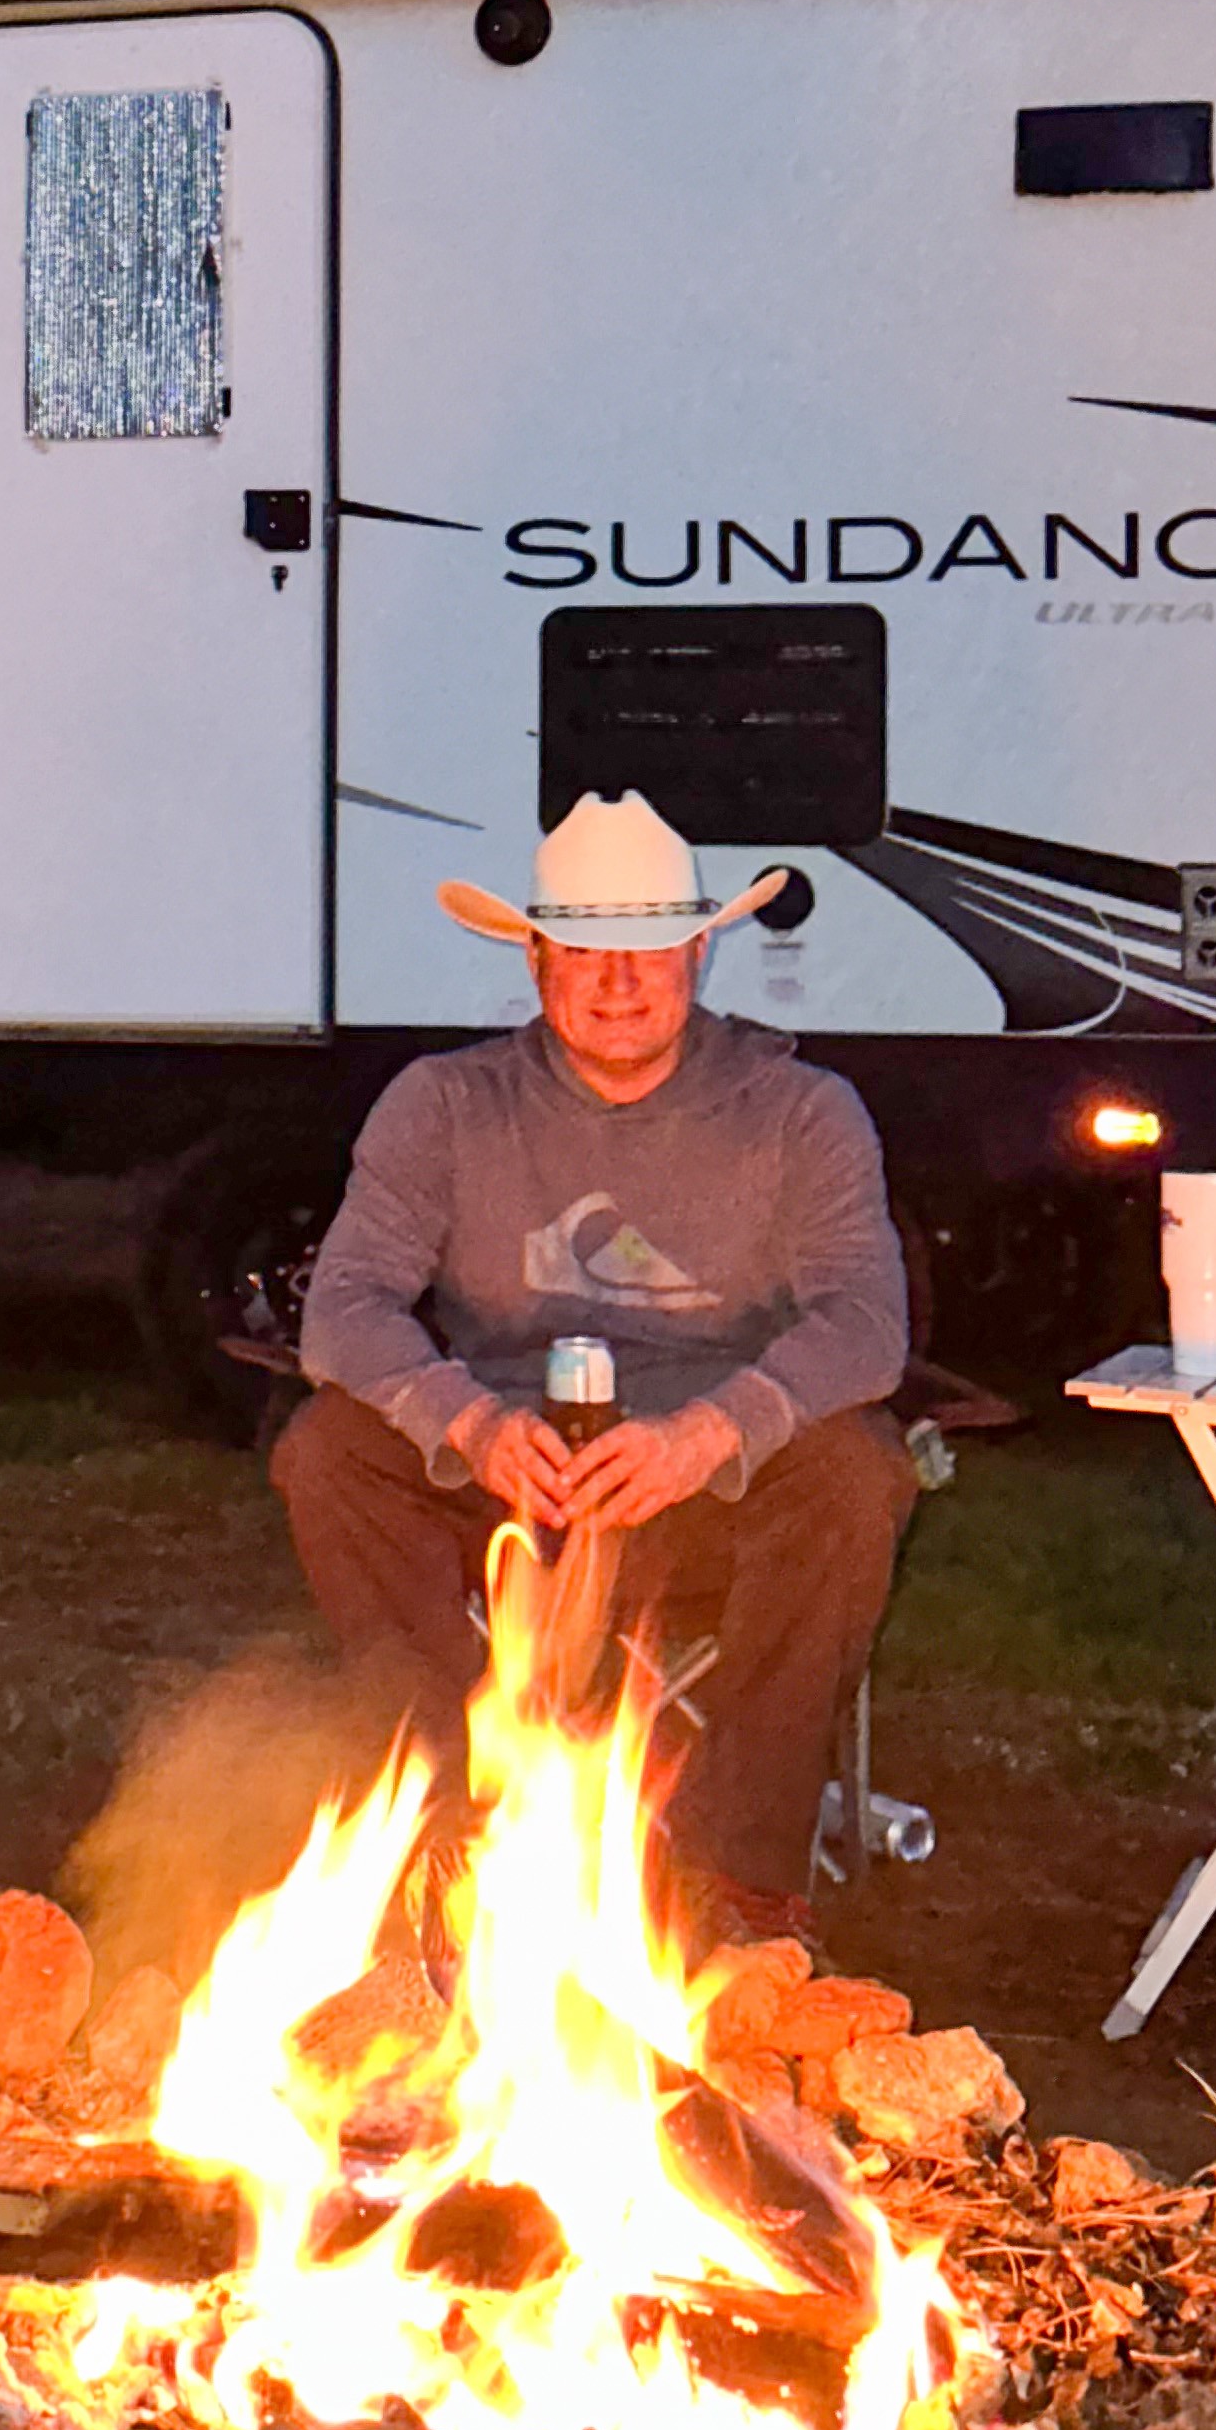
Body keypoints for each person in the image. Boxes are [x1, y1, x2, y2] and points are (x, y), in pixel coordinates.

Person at [272, 787, 914, 1950]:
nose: (619, 985)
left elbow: (867, 1322)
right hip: (506, 1490)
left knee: (854, 1474)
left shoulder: (801, 1114)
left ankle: (747, 1879)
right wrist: (467, 1424)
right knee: (327, 1452)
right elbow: (346, 1309)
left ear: (700, 952)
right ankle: (443, 1826)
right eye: (586, 952)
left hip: (702, 1499)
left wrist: (710, 1434)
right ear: (534, 958)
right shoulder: (446, 1104)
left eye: (649, 952)